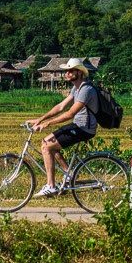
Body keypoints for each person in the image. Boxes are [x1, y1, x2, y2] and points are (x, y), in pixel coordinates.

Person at [26, 58, 98, 197]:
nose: (67, 73)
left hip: (84, 129)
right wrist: (40, 119)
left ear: (79, 72)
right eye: (67, 71)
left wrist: (48, 123)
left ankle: (51, 186)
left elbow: (70, 113)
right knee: (47, 142)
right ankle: (69, 174)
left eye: (70, 71)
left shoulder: (86, 89)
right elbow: (60, 107)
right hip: (77, 126)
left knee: (46, 146)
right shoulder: (76, 88)